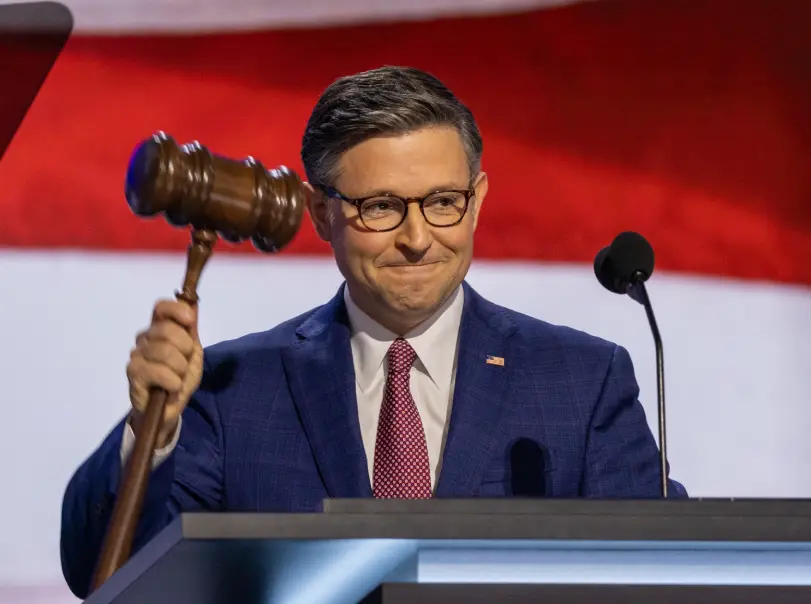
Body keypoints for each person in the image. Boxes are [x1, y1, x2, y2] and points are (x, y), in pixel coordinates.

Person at [60, 65, 686, 598]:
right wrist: (153, 430)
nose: (417, 240)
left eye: (443, 201)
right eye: (380, 207)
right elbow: (105, 576)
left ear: (479, 197)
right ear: (321, 215)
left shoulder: (579, 382)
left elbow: (668, 574)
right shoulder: (233, 392)